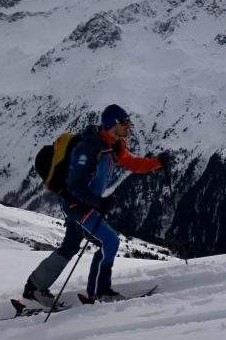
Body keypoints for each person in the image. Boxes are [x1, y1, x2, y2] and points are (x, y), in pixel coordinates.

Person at [23, 104, 171, 304]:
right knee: (109, 241)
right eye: (125, 122)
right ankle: (100, 292)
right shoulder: (88, 149)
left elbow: (134, 163)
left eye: (129, 121)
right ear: (113, 124)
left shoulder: (115, 146)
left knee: (70, 247)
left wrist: (157, 163)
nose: (129, 126)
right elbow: (75, 186)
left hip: (88, 204)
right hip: (76, 205)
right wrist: (99, 202)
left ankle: (34, 288)